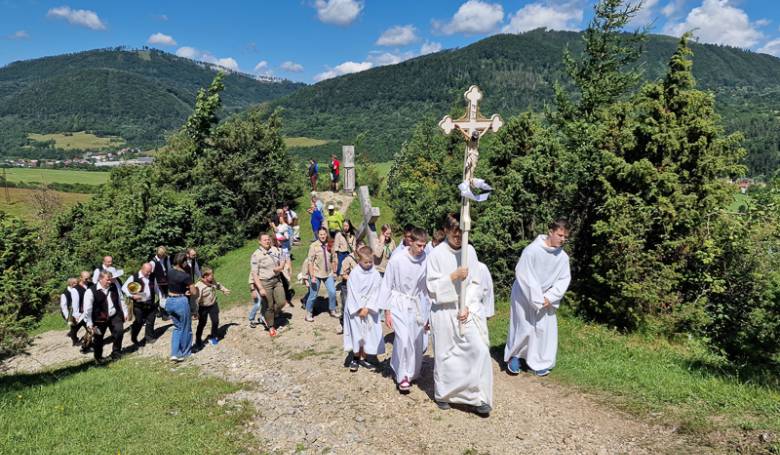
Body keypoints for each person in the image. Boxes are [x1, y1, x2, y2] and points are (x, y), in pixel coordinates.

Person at [426, 213, 492, 415]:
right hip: (444, 311)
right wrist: (453, 277)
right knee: (446, 355)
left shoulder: (469, 251)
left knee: (478, 349)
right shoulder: (436, 255)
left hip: (465, 310)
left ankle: (477, 397)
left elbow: (475, 282)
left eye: (462, 234)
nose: (458, 238)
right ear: (445, 231)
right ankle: (444, 394)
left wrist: (467, 306)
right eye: (455, 234)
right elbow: (432, 288)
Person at [504, 219, 571, 377]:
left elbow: (564, 279)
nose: (562, 239)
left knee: (543, 329)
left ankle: (540, 361)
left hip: (546, 298)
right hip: (524, 293)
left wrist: (550, 297)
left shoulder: (563, 257)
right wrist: (537, 297)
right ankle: (516, 357)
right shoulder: (532, 250)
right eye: (560, 235)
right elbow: (524, 274)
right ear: (551, 232)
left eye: (565, 237)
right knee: (523, 326)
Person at [380, 228, 429, 393]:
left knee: (416, 340)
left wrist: (427, 312)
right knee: (403, 338)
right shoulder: (398, 259)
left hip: (416, 304)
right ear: (411, 242)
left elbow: (428, 288)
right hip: (398, 302)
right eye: (419, 245)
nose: (422, 249)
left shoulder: (426, 260)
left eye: (424, 245)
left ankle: (412, 372)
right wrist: (387, 311)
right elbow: (387, 284)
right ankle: (402, 376)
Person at [343, 246, 384, 371]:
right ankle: (355, 358)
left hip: (369, 309)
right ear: (359, 260)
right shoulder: (355, 273)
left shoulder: (375, 274)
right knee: (357, 333)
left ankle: (366, 357)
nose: (368, 264)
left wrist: (369, 307)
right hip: (355, 308)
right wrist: (359, 308)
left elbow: (377, 291)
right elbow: (352, 292)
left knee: (367, 333)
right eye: (365, 262)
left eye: (370, 261)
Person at [84, 271, 128, 363]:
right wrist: (89, 323)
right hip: (99, 319)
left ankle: (116, 353)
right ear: (100, 279)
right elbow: (88, 309)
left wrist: (125, 311)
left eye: (110, 279)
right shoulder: (90, 291)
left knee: (119, 332)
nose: (110, 282)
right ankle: (98, 358)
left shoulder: (114, 286)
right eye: (108, 280)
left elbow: (121, 298)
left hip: (114, 315)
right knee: (98, 339)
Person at [251, 233, 287, 337]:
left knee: (281, 302)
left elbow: (284, 256)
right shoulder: (256, 255)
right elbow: (254, 274)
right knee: (269, 305)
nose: (267, 241)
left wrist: (281, 267)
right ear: (259, 242)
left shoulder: (275, 249)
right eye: (265, 240)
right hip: (265, 283)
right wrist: (260, 288)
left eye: (268, 239)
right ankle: (271, 326)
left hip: (277, 280)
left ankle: (268, 315)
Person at [167, 252, 198, 362]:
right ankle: (186, 353)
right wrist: (189, 290)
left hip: (169, 301)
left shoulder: (169, 271)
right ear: (183, 262)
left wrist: (184, 290)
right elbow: (193, 291)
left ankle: (174, 353)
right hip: (181, 302)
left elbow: (173, 285)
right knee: (186, 328)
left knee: (177, 328)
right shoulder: (185, 276)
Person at [305, 227, 338, 322]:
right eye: (321, 234)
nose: (323, 236)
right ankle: (309, 312)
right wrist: (312, 276)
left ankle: (332, 310)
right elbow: (310, 262)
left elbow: (333, 259)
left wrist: (334, 271)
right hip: (316, 274)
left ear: (326, 234)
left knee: (332, 292)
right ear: (318, 235)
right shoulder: (313, 246)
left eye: (324, 234)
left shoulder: (330, 244)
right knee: (313, 294)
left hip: (328, 274)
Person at [194, 267, 231, 348]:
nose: (213, 277)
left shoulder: (212, 281)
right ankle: (198, 340)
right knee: (202, 324)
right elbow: (196, 300)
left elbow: (218, 285)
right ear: (205, 276)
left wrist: (224, 290)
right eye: (211, 275)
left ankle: (213, 337)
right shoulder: (199, 286)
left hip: (213, 305)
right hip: (203, 307)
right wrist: (195, 312)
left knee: (215, 321)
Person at [122, 263, 156, 347]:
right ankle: (134, 336)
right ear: (142, 269)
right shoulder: (134, 277)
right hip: (139, 304)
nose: (149, 273)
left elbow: (156, 287)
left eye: (150, 272)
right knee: (139, 321)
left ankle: (149, 337)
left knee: (151, 320)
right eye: (147, 272)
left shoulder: (152, 276)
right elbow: (124, 288)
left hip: (150, 301)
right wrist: (132, 295)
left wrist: (161, 297)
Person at [60, 278, 84, 346]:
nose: (77, 284)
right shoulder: (65, 293)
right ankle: (75, 340)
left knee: (82, 323)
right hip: (69, 312)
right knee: (73, 327)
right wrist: (68, 317)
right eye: (75, 283)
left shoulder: (79, 289)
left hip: (79, 310)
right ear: (70, 284)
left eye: (77, 283)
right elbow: (63, 306)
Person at [149, 246, 171, 319]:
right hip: (157, 282)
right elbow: (150, 273)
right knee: (162, 296)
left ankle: (160, 311)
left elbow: (169, 268)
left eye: (163, 255)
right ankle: (164, 314)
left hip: (166, 280)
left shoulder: (166, 259)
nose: (162, 257)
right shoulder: (153, 262)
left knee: (165, 296)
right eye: (161, 255)